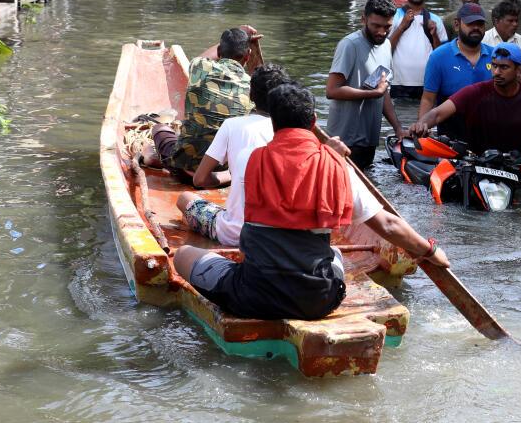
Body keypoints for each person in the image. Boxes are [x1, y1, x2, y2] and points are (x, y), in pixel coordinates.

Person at [172, 81, 450, 321]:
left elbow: (285, 177)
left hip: (255, 296)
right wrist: (429, 250)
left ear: (273, 124)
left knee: (183, 255)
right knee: (336, 253)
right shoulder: (336, 166)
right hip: (319, 300)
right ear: (314, 121)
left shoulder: (253, 160)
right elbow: (388, 225)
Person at [174, 64, 291, 246]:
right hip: (278, 235)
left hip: (234, 232)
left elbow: (199, 180)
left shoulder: (232, 125)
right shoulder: (290, 131)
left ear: (251, 95)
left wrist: (226, 176)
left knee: (185, 198)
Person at [149, 26, 264, 179]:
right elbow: (262, 78)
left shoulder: (200, 67)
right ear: (248, 55)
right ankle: (222, 177)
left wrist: (233, 37)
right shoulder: (252, 85)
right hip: (225, 167)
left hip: (185, 167)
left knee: (159, 128)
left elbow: (206, 56)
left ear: (219, 52)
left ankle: (148, 155)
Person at [411, 43, 521, 160]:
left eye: (504, 67)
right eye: (494, 66)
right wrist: (421, 124)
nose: (496, 72)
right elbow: (437, 113)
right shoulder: (475, 92)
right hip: (478, 161)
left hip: (515, 162)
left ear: (519, 70)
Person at [325, 0, 405, 168]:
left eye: (387, 27)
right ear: (364, 19)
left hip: (369, 140)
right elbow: (332, 90)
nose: (382, 32)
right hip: (344, 141)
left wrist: (398, 128)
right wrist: (373, 93)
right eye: (376, 26)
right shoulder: (349, 45)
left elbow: (383, 92)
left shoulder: (386, 46)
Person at [419, 2, 494, 139]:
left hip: (488, 135)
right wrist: (422, 126)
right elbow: (428, 99)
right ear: (456, 24)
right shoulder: (439, 57)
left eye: (480, 24)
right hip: (450, 137)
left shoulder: (495, 57)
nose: (476, 28)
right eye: (471, 23)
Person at [387, 0, 446, 99]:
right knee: (399, 118)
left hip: (428, 84)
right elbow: (384, 50)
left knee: (424, 118)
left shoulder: (435, 20)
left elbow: (442, 56)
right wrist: (402, 26)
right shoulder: (394, 16)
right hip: (398, 83)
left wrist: (434, 35)